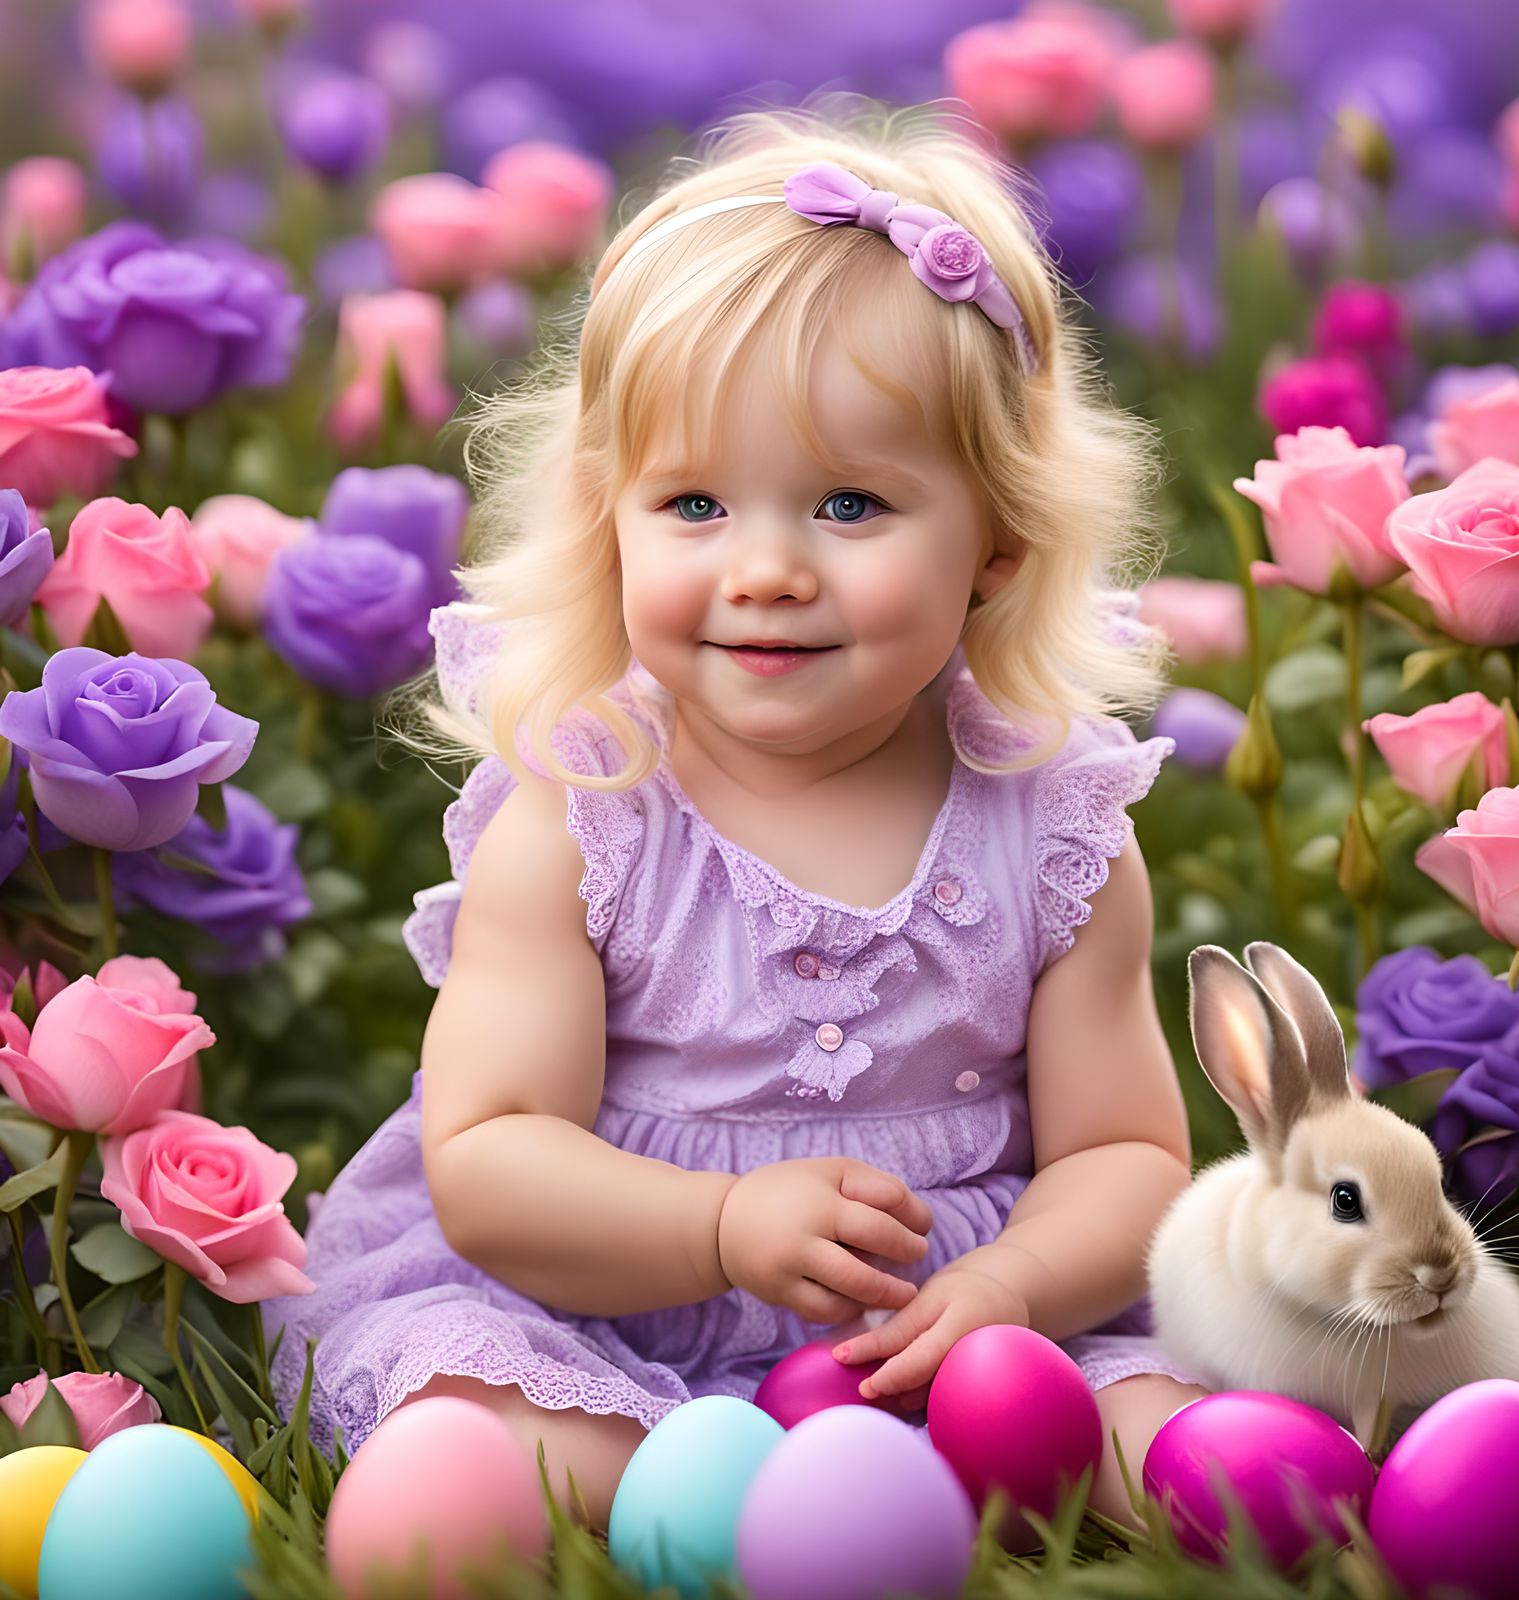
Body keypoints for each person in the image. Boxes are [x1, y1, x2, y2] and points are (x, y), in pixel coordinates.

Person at [263, 96, 1210, 1543]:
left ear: (996, 551)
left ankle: (907, 1492)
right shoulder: (587, 811)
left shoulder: (1053, 820)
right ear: (610, 523)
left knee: (1166, 1447)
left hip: (946, 1329)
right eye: (695, 503)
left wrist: (1013, 1291)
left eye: (847, 503)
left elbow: (1126, 1156)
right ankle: (739, 1502)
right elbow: (493, 1154)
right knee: (445, 1498)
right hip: (614, 1323)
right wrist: (719, 1229)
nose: (765, 570)